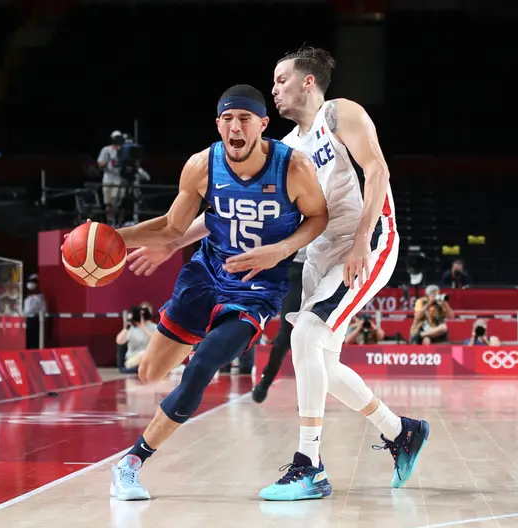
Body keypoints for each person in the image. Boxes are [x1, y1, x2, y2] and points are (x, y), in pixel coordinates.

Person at [125, 47, 430, 501]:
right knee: (323, 362)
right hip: (321, 252)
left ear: (308, 81)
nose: (274, 89)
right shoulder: (288, 151)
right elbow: (228, 213)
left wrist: (364, 239)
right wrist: (172, 239)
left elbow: (378, 169)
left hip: (366, 240)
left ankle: (310, 466)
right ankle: (401, 431)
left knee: (306, 334)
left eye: (281, 79)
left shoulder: (338, 113)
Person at [103, 84, 328, 501]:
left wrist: (282, 248)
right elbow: (172, 227)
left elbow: (318, 216)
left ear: (262, 125)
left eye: (245, 119)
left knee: (203, 364)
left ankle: (130, 463)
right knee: (149, 374)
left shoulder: (293, 167)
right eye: (228, 119)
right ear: (218, 125)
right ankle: (189, 359)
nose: (235, 127)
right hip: (206, 274)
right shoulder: (201, 166)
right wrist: (114, 238)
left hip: (257, 286)